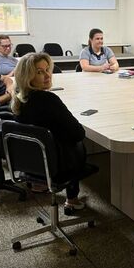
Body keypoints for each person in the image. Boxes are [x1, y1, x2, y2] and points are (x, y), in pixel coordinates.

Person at [11, 52, 87, 215]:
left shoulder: (19, 99)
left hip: (30, 162)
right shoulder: (48, 100)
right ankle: (72, 199)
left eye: (47, 69)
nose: (47, 75)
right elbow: (78, 133)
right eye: (39, 72)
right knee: (76, 142)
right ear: (28, 76)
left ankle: (40, 184)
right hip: (56, 164)